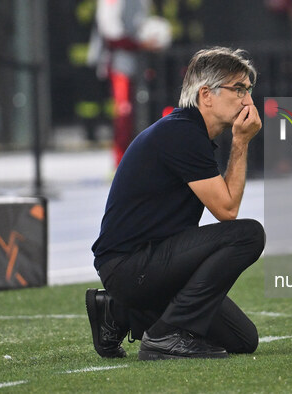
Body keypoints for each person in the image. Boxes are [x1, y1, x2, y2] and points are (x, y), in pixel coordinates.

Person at [85, 47, 265, 360]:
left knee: (243, 340)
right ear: (206, 94)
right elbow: (227, 210)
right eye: (238, 90)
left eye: (248, 90)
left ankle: (117, 312)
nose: (247, 101)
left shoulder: (189, 131)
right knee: (248, 234)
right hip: (131, 266)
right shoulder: (182, 133)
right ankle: (167, 334)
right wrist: (240, 143)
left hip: (148, 265)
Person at [88, 0, 171, 167]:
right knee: (124, 113)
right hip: (121, 64)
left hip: (142, 63)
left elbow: (142, 25)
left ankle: (147, 159)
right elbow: (111, 33)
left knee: (148, 112)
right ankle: (121, 164)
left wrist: (151, 39)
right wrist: (141, 44)